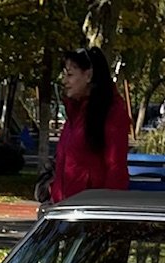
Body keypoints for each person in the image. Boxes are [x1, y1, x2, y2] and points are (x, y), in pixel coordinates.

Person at [50, 46, 130, 203]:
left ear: (88, 75)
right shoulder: (75, 113)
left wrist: (104, 216)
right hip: (65, 210)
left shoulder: (111, 113)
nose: (64, 81)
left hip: (90, 212)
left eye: (70, 75)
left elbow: (116, 169)